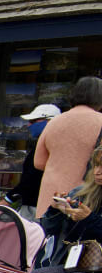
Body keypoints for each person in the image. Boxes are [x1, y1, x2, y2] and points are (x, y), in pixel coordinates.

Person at [34, 76, 102, 220]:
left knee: (48, 238)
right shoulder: (100, 121)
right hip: (84, 199)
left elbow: (38, 162)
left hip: (52, 197)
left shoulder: (54, 122)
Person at [4, 103, 61, 219]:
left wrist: (8, 199)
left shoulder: (53, 146)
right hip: (33, 205)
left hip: (38, 208)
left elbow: (32, 177)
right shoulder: (41, 145)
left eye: (34, 121)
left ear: (49, 121)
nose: (29, 125)